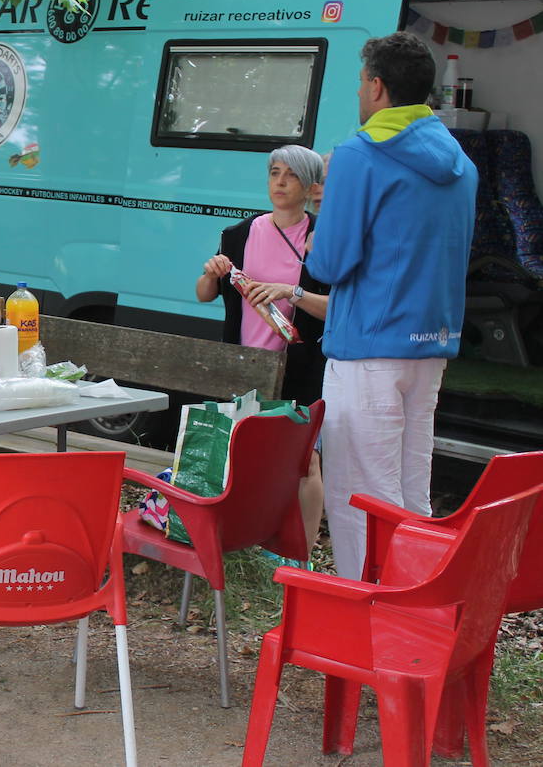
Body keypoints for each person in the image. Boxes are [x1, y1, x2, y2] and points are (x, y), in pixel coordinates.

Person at [306, 31, 477, 579]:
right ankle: (413, 609)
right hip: (429, 345)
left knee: (360, 499)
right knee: (409, 494)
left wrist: (318, 240)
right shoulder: (461, 163)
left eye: (360, 81)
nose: (359, 92)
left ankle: (366, 629)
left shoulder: (360, 154)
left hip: (367, 349)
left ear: (377, 87)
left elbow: (329, 266)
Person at [195, 145, 330, 555]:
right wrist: (209, 272)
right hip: (243, 364)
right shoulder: (238, 235)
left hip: (300, 367)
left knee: (306, 462)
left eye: (291, 175)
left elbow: (337, 311)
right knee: (243, 456)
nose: (281, 182)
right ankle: (241, 546)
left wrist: (294, 292)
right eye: (274, 173)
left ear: (309, 187)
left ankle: (300, 555)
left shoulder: (322, 238)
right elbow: (204, 295)